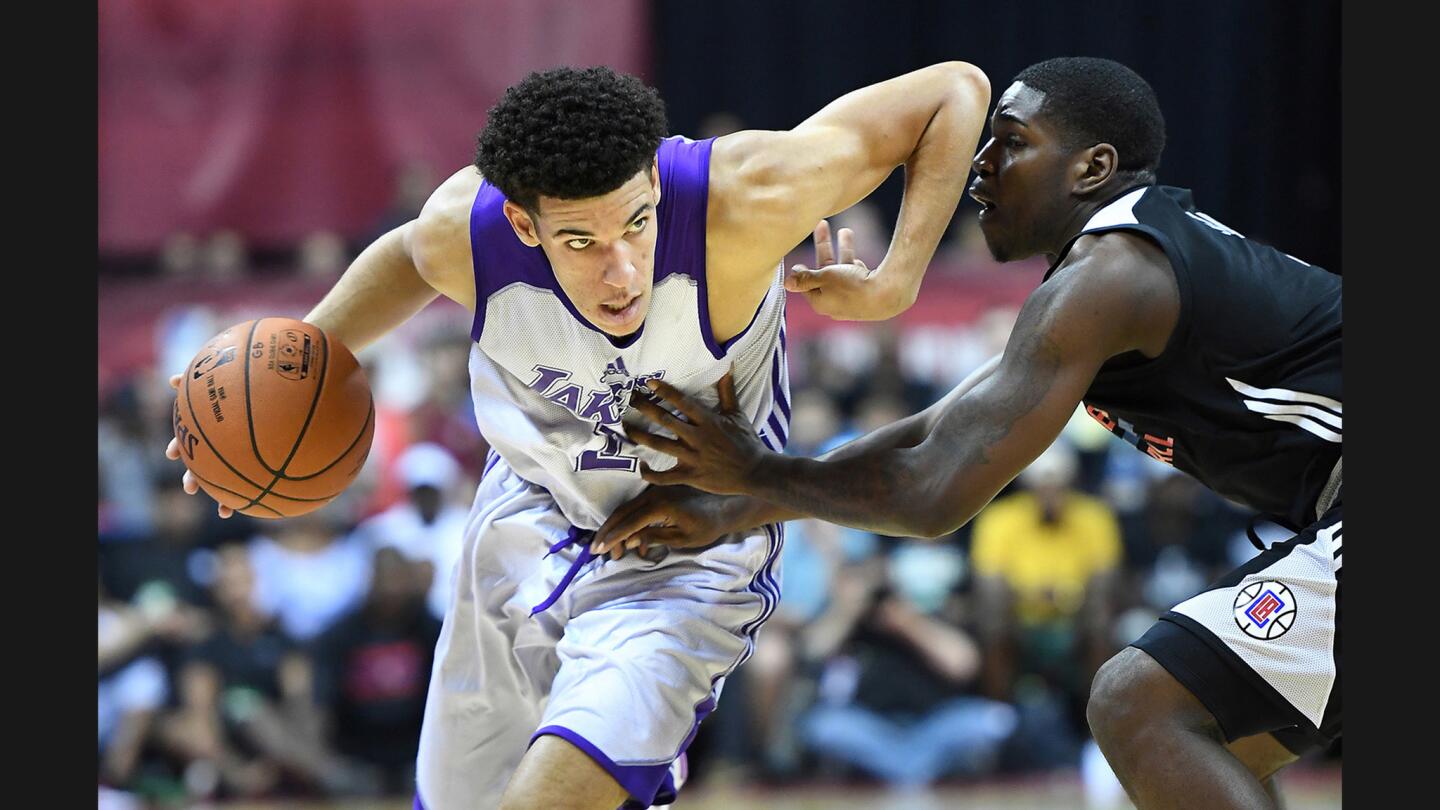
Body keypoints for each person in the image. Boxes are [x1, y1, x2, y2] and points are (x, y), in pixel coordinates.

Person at [167, 62, 992, 809]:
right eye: (581, 242)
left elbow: (954, 91)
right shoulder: (471, 232)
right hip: (523, 517)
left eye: (636, 223)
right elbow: (409, 257)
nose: (623, 269)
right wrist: (264, 403)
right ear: (526, 228)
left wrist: (896, 281)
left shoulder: (744, 197)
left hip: (687, 544)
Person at [599, 56, 1339, 809]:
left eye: (1011, 141)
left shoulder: (1112, 273)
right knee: (1220, 736)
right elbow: (934, 432)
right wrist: (735, 504)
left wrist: (754, 474)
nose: (979, 165)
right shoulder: (1114, 270)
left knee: (1137, 704)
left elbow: (930, 495)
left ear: (1094, 167)